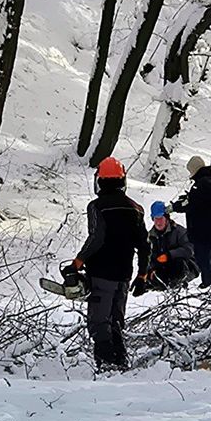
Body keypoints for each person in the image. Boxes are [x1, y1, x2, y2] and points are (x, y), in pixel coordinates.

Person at [71, 157, 150, 371]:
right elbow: (144, 245)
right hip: (124, 273)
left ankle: (106, 365)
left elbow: (97, 237)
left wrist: (78, 262)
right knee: (116, 320)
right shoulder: (136, 209)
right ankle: (120, 362)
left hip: (101, 272)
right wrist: (142, 276)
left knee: (99, 321)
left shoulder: (97, 206)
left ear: (100, 181)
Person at [170, 155, 211, 287]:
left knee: (203, 259)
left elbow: (192, 204)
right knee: (209, 259)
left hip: (203, 230)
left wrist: (175, 207)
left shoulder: (201, 185)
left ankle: (208, 284)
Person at [144, 201, 199, 291]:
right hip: (164, 268)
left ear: (166, 218)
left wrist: (169, 255)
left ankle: (177, 284)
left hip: (187, 267)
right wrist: (151, 269)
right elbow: (150, 256)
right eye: (155, 219)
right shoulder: (151, 236)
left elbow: (189, 250)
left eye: (160, 218)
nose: (158, 222)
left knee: (178, 263)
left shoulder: (179, 231)